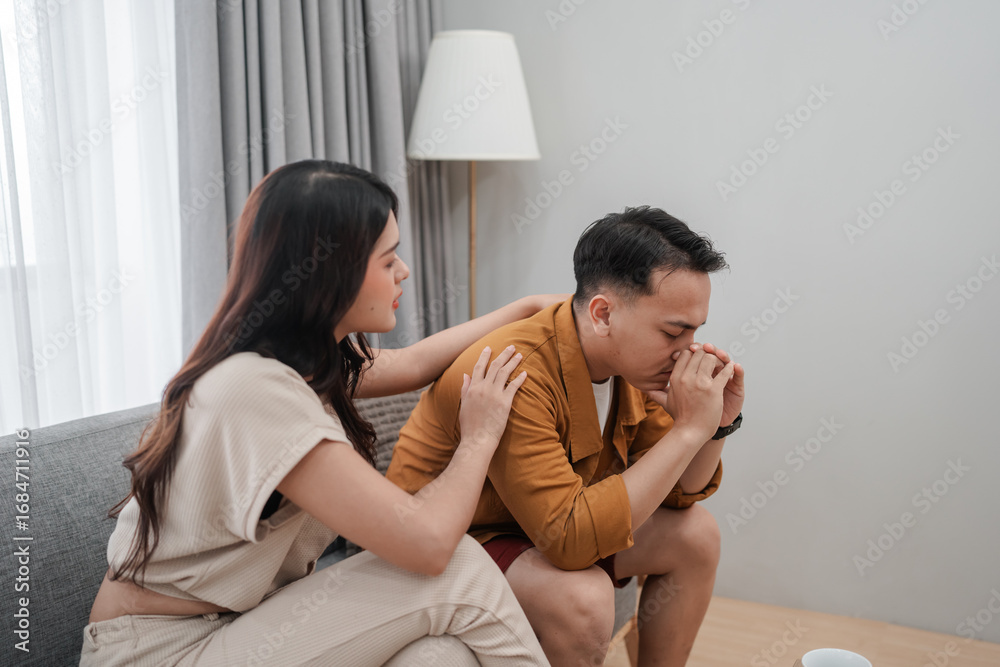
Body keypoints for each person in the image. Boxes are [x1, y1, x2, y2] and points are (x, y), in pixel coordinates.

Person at [81, 159, 557, 666]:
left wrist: (527, 308)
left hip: (235, 627)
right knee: (459, 565)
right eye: (388, 260)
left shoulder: (301, 364)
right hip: (161, 651)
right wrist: (479, 436)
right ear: (331, 272)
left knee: (437, 657)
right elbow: (432, 544)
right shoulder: (254, 389)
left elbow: (415, 363)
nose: (404, 271)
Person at [386, 206, 747, 667]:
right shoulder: (513, 371)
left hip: (532, 526)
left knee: (696, 536)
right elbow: (568, 540)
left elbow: (680, 494)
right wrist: (689, 430)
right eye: (673, 331)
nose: (687, 350)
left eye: (694, 331)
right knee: (583, 596)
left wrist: (714, 427)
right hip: (454, 537)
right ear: (603, 314)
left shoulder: (633, 367)